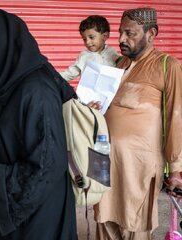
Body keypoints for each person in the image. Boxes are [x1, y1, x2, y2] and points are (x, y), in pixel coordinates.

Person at [0, 9, 77, 240]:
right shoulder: (4, 85)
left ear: (3, 47)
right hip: (10, 198)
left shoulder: (38, 91)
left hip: (40, 209)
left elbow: (48, 165)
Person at [93, 7, 182, 240]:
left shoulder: (167, 65)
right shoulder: (118, 64)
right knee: (102, 217)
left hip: (139, 167)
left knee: (135, 225)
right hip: (103, 160)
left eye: (130, 33)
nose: (121, 39)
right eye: (121, 33)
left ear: (151, 33)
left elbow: (176, 116)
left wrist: (175, 170)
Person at [60, 15, 119, 82]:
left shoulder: (112, 53)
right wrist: (51, 78)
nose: (87, 42)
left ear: (105, 36)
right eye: (84, 39)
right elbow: (69, 74)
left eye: (91, 37)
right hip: (88, 92)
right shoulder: (84, 56)